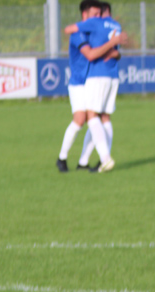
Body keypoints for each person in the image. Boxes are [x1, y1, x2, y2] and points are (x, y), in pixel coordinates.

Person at [57, 1, 124, 174]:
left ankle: (84, 161)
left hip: (94, 80)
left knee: (99, 117)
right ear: (84, 15)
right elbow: (91, 54)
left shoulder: (97, 30)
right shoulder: (78, 34)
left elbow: (114, 52)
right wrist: (112, 46)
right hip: (80, 82)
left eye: (99, 14)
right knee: (81, 120)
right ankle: (62, 158)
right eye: (95, 15)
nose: (98, 18)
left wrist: (115, 51)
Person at [77, 2, 122, 171]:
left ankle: (105, 158)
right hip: (112, 75)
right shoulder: (116, 26)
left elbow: (92, 54)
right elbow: (116, 52)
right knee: (105, 117)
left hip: (98, 75)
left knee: (92, 116)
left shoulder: (97, 28)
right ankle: (88, 160)